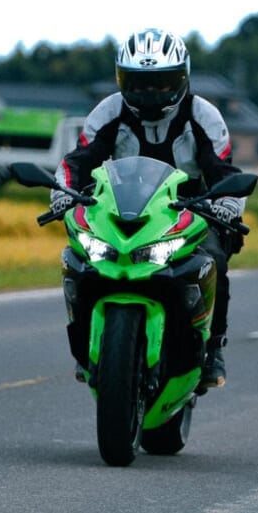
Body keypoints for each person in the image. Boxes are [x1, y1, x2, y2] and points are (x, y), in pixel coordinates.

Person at [49, 28, 245, 389]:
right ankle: (85, 350)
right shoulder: (108, 111)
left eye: (161, 83)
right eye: (139, 83)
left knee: (215, 257)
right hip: (119, 207)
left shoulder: (204, 115)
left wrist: (228, 203)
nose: (150, 93)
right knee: (78, 257)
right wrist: (63, 191)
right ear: (122, 79)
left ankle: (213, 348)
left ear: (182, 77)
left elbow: (223, 169)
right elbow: (76, 161)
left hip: (188, 211)